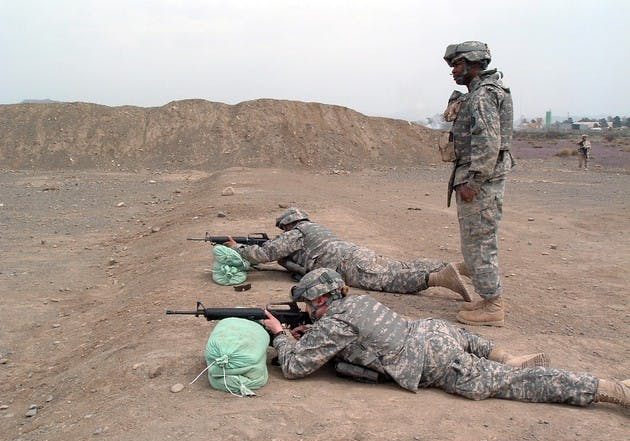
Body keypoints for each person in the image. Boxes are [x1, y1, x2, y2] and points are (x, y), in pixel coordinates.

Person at [261, 268, 630, 408]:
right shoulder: (354, 304)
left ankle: (609, 388)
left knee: (518, 384)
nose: (306, 308)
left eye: (309, 303)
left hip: (433, 361)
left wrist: (280, 336)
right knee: (479, 350)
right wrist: (308, 333)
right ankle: (504, 355)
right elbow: (352, 338)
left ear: (322, 299)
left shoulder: (333, 322)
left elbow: (295, 366)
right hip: (431, 331)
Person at [225, 207, 471, 301]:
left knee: (390, 280)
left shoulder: (297, 232)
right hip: (357, 252)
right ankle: (451, 266)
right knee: (400, 266)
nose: (282, 232)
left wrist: (238, 249)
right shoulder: (314, 227)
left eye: (283, 228)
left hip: (348, 265)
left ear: (289, 224)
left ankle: (440, 278)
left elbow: (266, 252)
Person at [442, 41, 515, 327]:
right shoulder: (480, 93)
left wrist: (473, 181)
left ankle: (492, 305)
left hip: (480, 183)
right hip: (479, 180)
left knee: (479, 242)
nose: (453, 71)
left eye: (457, 65)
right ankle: (486, 299)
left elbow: (488, 142)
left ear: (473, 64)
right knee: (476, 240)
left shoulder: (483, 96)